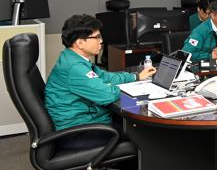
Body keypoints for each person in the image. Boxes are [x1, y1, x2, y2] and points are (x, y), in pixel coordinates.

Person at [45, 14, 156, 149]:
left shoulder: (74, 59)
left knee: (130, 121)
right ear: (80, 43)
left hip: (87, 121)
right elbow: (108, 95)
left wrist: (136, 77)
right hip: (78, 131)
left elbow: (106, 77)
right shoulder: (75, 68)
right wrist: (113, 88)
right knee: (143, 132)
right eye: (97, 37)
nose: (101, 41)